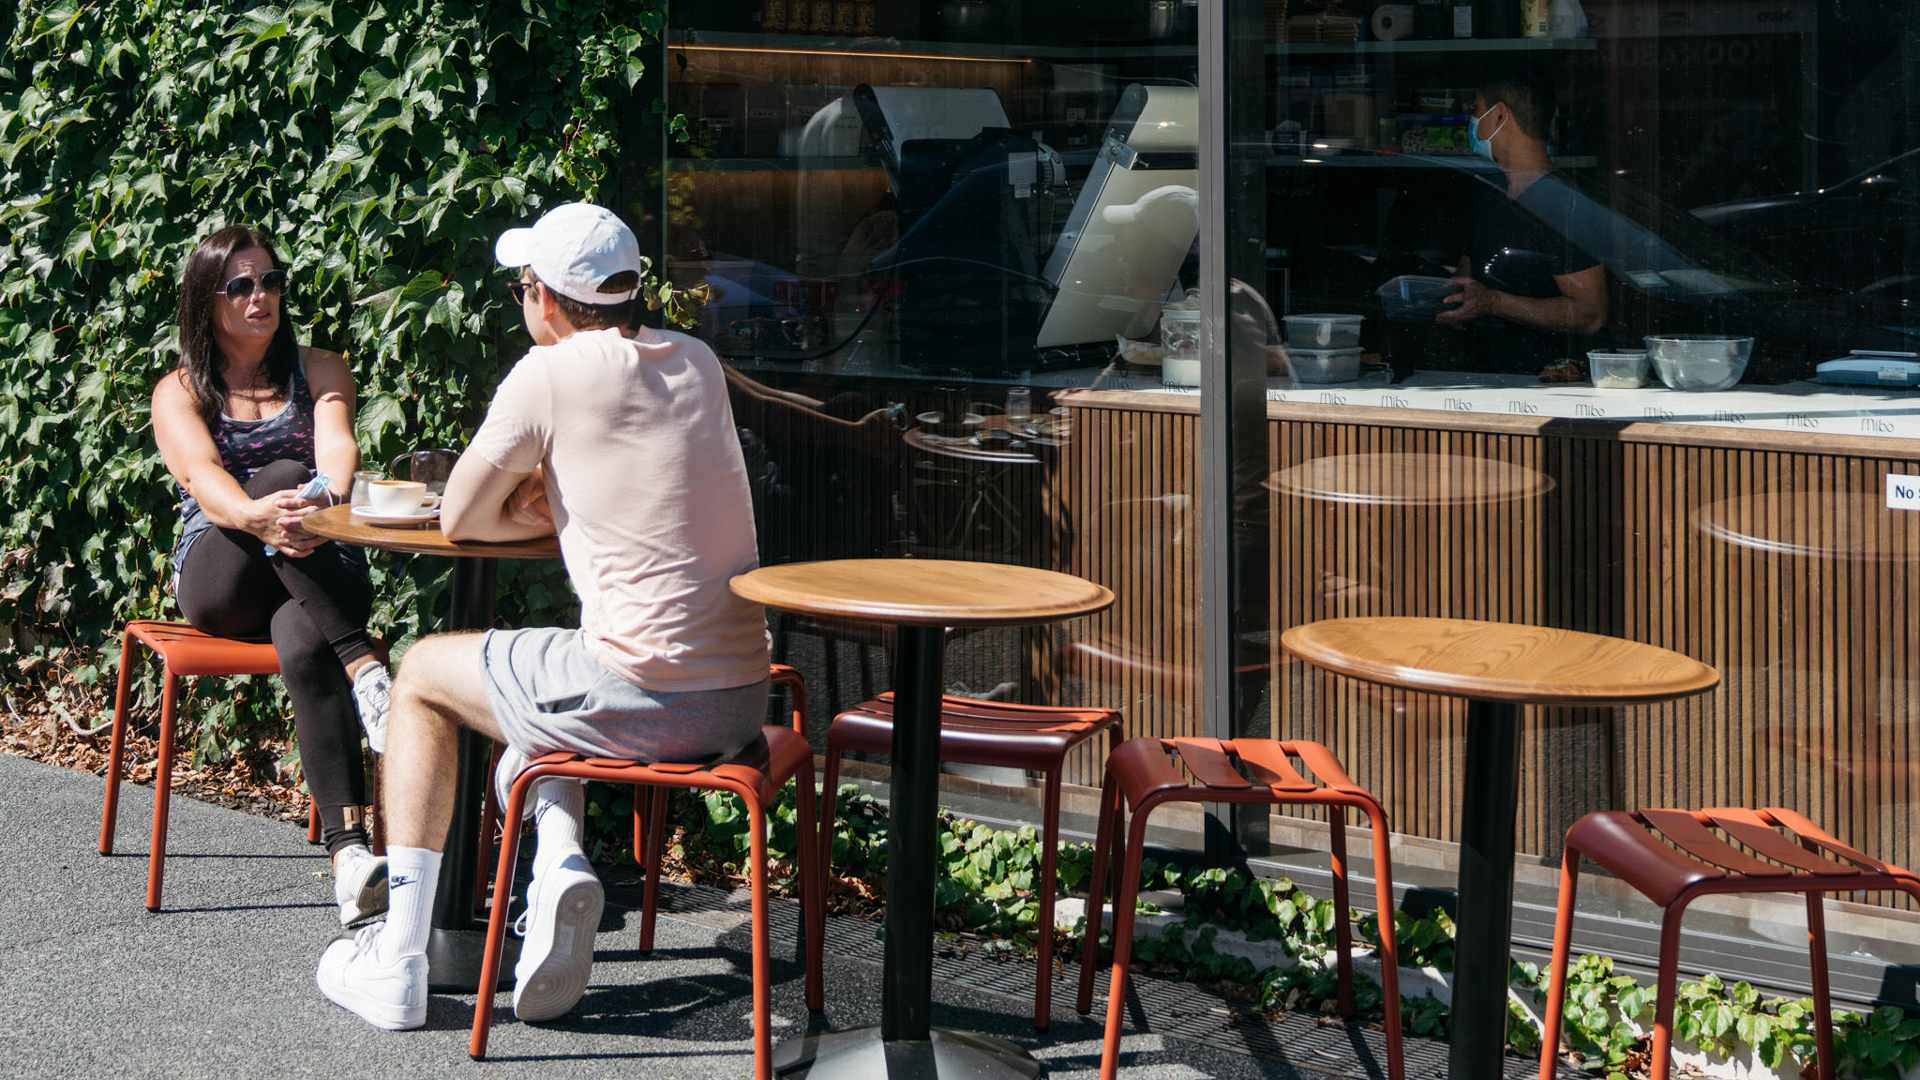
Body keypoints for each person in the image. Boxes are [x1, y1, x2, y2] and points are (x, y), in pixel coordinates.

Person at [316, 203, 772, 1031]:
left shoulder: (547, 374)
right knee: (538, 671)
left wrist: (532, 502)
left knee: (421, 673)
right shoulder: (698, 361)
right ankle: (558, 858)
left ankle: (399, 959)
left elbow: (459, 517)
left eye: (523, 286)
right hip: (741, 697)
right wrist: (559, 498)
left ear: (546, 297)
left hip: (642, 695)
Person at [152, 226, 394, 926]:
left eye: (271, 281)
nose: (263, 297)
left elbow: (339, 449)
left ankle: (350, 859)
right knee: (283, 476)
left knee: (302, 640)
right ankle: (368, 673)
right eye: (242, 286)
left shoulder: (320, 368)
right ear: (208, 301)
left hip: (313, 569)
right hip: (221, 576)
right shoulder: (180, 390)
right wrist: (262, 516)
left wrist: (318, 501)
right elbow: (203, 477)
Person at [1437, 78, 1608, 375]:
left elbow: (1590, 314)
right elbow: (1469, 276)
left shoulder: (1561, 205)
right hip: (1482, 375)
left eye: (1475, 110)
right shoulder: (1489, 194)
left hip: (1547, 385)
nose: (1471, 121)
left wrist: (1492, 302)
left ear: (1500, 116)